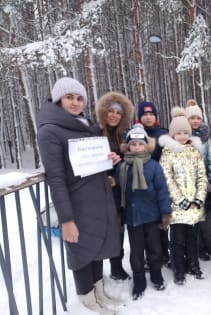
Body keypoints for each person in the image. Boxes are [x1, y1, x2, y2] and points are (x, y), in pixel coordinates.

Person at [36, 77, 121, 314]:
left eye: (79, 98)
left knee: (97, 246)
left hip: (98, 199)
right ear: (58, 99)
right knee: (81, 250)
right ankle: (87, 299)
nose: (75, 103)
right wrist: (66, 220)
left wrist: (109, 161)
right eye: (69, 97)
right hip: (76, 203)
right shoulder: (50, 131)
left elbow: (91, 164)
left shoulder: (87, 125)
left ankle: (99, 293)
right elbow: (56, 178)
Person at [114, 124, 171, 300]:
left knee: (154, 249)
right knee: (136, 252)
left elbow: (162, 190)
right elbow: (118, 192)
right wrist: (118, 213)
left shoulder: (154, 166)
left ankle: (156, 275)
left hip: (152, 216)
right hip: (133, 218)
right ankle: (139, 281)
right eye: (133, 144)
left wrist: (165, 213)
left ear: (146, 145)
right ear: (128, 146)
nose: (137, 147)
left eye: (140, 144)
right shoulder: (122, 167)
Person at [159, 107, 208, 285]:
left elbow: (202, 177)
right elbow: (167, 179)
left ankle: (193, 264)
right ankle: (179, 269)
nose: (181, 136)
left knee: (192, 238)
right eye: (178, 133)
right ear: (172, 134)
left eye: (185, 132)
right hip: (178, 207)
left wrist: (198, 198)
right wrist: (181, 201)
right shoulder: (167, 154)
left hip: (194, 206)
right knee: (177, 240)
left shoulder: (195, 152)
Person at [95, 91, 133, 281]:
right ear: (104, 112)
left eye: (118, 113)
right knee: (101, 231)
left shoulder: (124, 136)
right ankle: (96, 272)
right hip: (98, 192)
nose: (114, 116)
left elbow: (128, 164)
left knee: (118, 229)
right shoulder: (94, 132)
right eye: (111, 111)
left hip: (118, 192)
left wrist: (117, 176)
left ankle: (117, 267)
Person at [137, 101, 171, 266]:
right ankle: (147, 254)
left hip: (161, 182)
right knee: (145, 223)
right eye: (145, 114)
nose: (148, 117)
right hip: (141, 184)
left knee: (161, 219)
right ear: (140, 117)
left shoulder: (163, 134)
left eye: (151, 114)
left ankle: (164, 252)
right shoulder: (135, 134)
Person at [185, 99, 211, 261]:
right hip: (190, 189)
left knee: (207, 220)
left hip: (206, 189)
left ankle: (208, 244)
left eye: (198, 118)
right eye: (192, 118)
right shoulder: (183, 138)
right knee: (195, 219)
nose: (195, 121)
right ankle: (199, 248)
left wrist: (208, 182)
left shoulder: (206, 140)